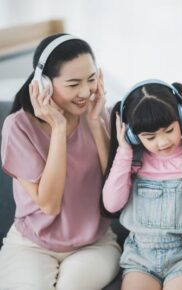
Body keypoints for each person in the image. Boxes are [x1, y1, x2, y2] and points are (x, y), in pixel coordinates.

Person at [0, 33, 121, 290]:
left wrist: (96, 123)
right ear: (43, 83)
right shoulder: (18, 127)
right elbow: (50, 204)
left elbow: (115, 193)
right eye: (73, 83)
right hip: (30, 245)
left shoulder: (98, 115)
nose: (86, 92)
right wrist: (58, 128)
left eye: (91, 80)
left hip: (94, 244)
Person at [102, 79, 182, 290]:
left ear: (181, 118)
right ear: (134, 136)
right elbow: (112, 204)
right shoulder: (132, 161)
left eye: (169, 130)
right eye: (149, 137)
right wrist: (124, 151)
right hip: (140, 258)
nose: (162, 142)